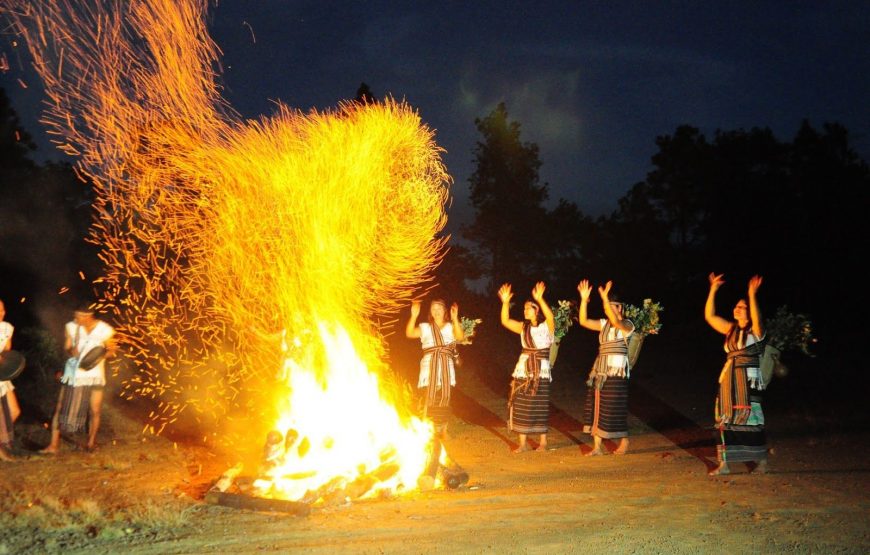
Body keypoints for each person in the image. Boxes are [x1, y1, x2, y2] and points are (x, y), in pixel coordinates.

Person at [705, 273, 768, 476]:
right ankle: (724, 464)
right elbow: (710, 316)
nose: (736, 308)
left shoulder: (756, 332)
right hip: (728, 381)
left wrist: (752, 294)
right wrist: (713, 289)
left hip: (748, 381)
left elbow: (757, 317)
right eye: (736, 306)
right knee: (724, 420)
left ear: (749, 312)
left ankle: (762, 462)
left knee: (752, 421)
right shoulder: (730, 330)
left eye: (742, 307)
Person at [41, 303, 115, 454]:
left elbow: (112, 351)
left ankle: (91, 443)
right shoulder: (71, 327)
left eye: (78, 316)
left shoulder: (105, 329)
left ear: (88, 316)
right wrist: (71, 351)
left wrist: (96, 357)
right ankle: (53, 445)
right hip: (73, 374)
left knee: (95, 410)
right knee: (61, 406)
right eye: (75, 315)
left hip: (95, 375)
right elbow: (67, 347)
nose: (75, 318)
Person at [578, 279, 635, 456]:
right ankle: (597, 446)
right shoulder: (604, 324)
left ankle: (624, 440)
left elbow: (617, 323)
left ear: (620, 308)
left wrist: (604, 298)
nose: (607, 310)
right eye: (606, 307)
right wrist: (583, 299)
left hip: (616, 371)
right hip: (601, 370)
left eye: (611, 306)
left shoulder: (627, 324)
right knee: (597, 405)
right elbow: (583, 321)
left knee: (613, 406)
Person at [499, 281, 555, 453]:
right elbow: (505, 321)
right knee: (522, 403)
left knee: (539, 404)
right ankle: (522, 443)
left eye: (528, 308)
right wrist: (505, 303)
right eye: (524, 309)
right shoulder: (523, 327)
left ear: (537, 310)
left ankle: (543, 443)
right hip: (524, 368)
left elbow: (551, 317)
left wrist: (540, 299)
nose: (525, 311)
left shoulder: (546, 327)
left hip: (540, 370)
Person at [405, 298, 465, 439]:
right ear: (430, 312)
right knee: (429, 396)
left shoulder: (451, 326)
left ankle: (443, 430)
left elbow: (460, 337)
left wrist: (455, 319)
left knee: (445, 396)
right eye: (433, 309)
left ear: (445, 311)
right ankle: (429, 430)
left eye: (439, 308)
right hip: (429, 364)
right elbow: (409, 333)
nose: (436, 311)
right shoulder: (425, 327)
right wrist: (413, 315)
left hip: (445, 363)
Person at [0, 299, 21, 462]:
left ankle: (2, 443)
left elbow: (7, 353)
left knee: (14, 411)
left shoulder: (7, 328)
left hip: (2, 377)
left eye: (1, 310)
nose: (0, 313)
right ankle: (3, 453)